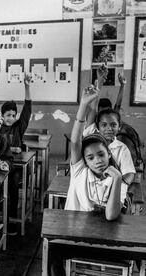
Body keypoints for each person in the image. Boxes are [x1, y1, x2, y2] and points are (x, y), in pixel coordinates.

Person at [50, 85, 123, 276]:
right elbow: (75, 142)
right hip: (73, 235)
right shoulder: (80, 172)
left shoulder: (116, 179)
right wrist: (83, 104)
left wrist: (117, 181)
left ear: (109, 153)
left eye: (101, 155)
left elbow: (110, 215)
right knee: (53, 254)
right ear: (84, 161)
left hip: (102, 240)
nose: (97, 160)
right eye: (90, 158)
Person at [0, 74, 33, 227]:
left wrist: (27, 87)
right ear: (2, 115)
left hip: (16, 167)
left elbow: (27, 110)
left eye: (13, 115)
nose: (11, 118)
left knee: (12, 182)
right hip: (1, 165)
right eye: (8, 115)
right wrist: (11, 148)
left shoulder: (18, 128)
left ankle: (11, 216)